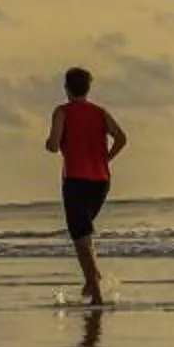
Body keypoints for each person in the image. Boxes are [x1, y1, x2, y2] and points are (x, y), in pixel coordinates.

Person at [43, 67, 127, 306]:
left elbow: (53, 144)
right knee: (85, 233)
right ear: (87, 88)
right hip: (101, 181)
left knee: (80, 237)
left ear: (66, 88)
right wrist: (106, 159)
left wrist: (49, 143)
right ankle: (93, 277)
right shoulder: (100, 113)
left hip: (76, 181)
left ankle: (96, 292)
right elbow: (121, 138)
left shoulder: (62, 112)